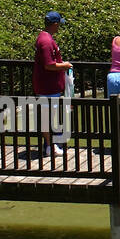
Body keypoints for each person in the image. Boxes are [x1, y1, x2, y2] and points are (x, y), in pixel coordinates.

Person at [33, 10, 72, 157]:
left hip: (50, 85)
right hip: (48, 86)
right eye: (59, 25)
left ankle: (51, 145)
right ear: (54, 24)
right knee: (49, 117)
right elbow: (49, 65)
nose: (59, 27)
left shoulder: (45, 38)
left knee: (50, 116)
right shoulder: (46, 41)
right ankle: (51, 146)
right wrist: (65, 65)